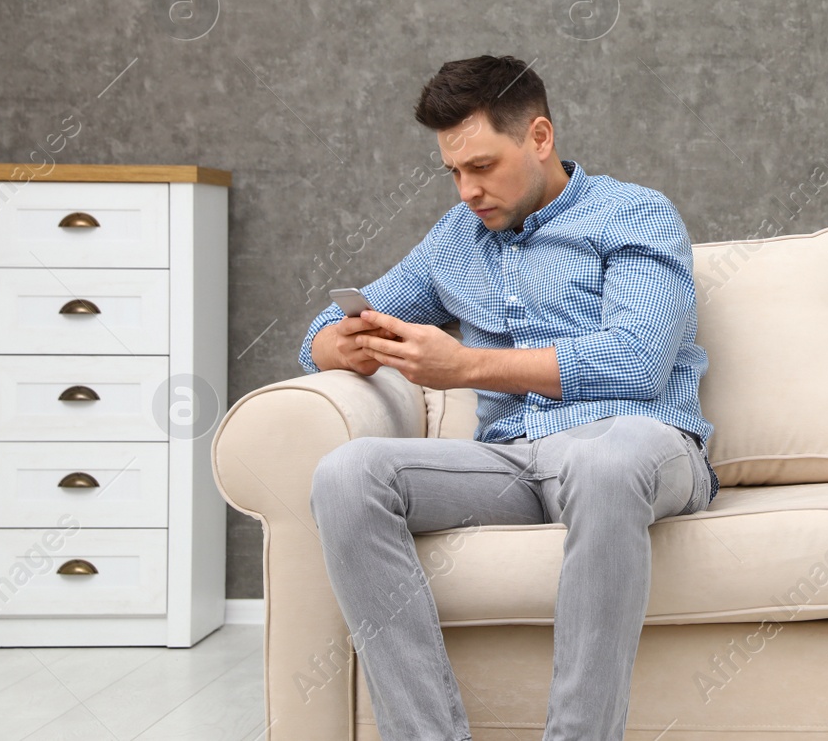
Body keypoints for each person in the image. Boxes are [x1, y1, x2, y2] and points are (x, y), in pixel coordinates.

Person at [300, 54, 718, 741]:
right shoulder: (454, 242)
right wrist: (335, 346)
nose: (467, 190)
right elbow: (324, 326)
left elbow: (638, 361)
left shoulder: (633, 213)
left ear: (540, 137)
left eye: (484, 166)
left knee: (603, 463)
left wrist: (465, 366)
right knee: (345, 475)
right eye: (454, 172)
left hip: (637, 442)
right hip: (515, 464)